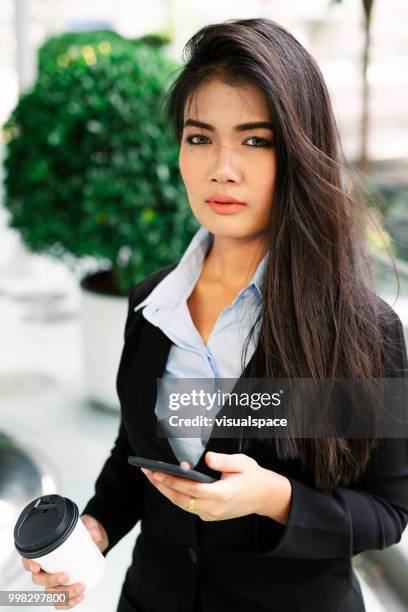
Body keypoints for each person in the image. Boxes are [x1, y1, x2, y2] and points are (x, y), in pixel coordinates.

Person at [21, 17, 408, 612]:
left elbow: (386, 512)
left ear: (300, 152)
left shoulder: (360, 330)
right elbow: (135, 455)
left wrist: (274, 497)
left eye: (255, 140)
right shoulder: (154, 305)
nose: (221, 167)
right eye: (199, 137)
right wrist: (95, 531)